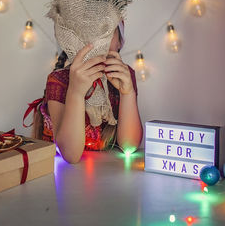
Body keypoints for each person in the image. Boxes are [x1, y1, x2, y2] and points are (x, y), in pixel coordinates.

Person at [29, 22, 143, 164]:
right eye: (90, 32)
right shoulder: (59, 80)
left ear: (120, 42)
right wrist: (75, 93)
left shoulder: (125, 76)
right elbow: (70, 155)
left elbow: (129, 146)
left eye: (107, 30)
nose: (98, 39)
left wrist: (128, 94)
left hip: (110, 173)